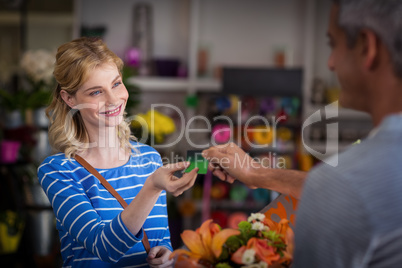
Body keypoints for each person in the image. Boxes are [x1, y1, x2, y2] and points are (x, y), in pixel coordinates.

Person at [203, 0, 402, 267]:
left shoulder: (343, 187)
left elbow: (341, 190)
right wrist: (256, 174)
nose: (330, 63)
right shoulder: (370, 175)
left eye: (333, 44)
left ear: (367, 47)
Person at [37, 37, 198, 267]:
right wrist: (151, 187)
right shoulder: (59, 171)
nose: (113, 100)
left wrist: (166, 256)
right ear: (69, 98)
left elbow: (160, 238)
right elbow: (104, 248)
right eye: (95, 92)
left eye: (115, 84)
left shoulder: (149, 159)